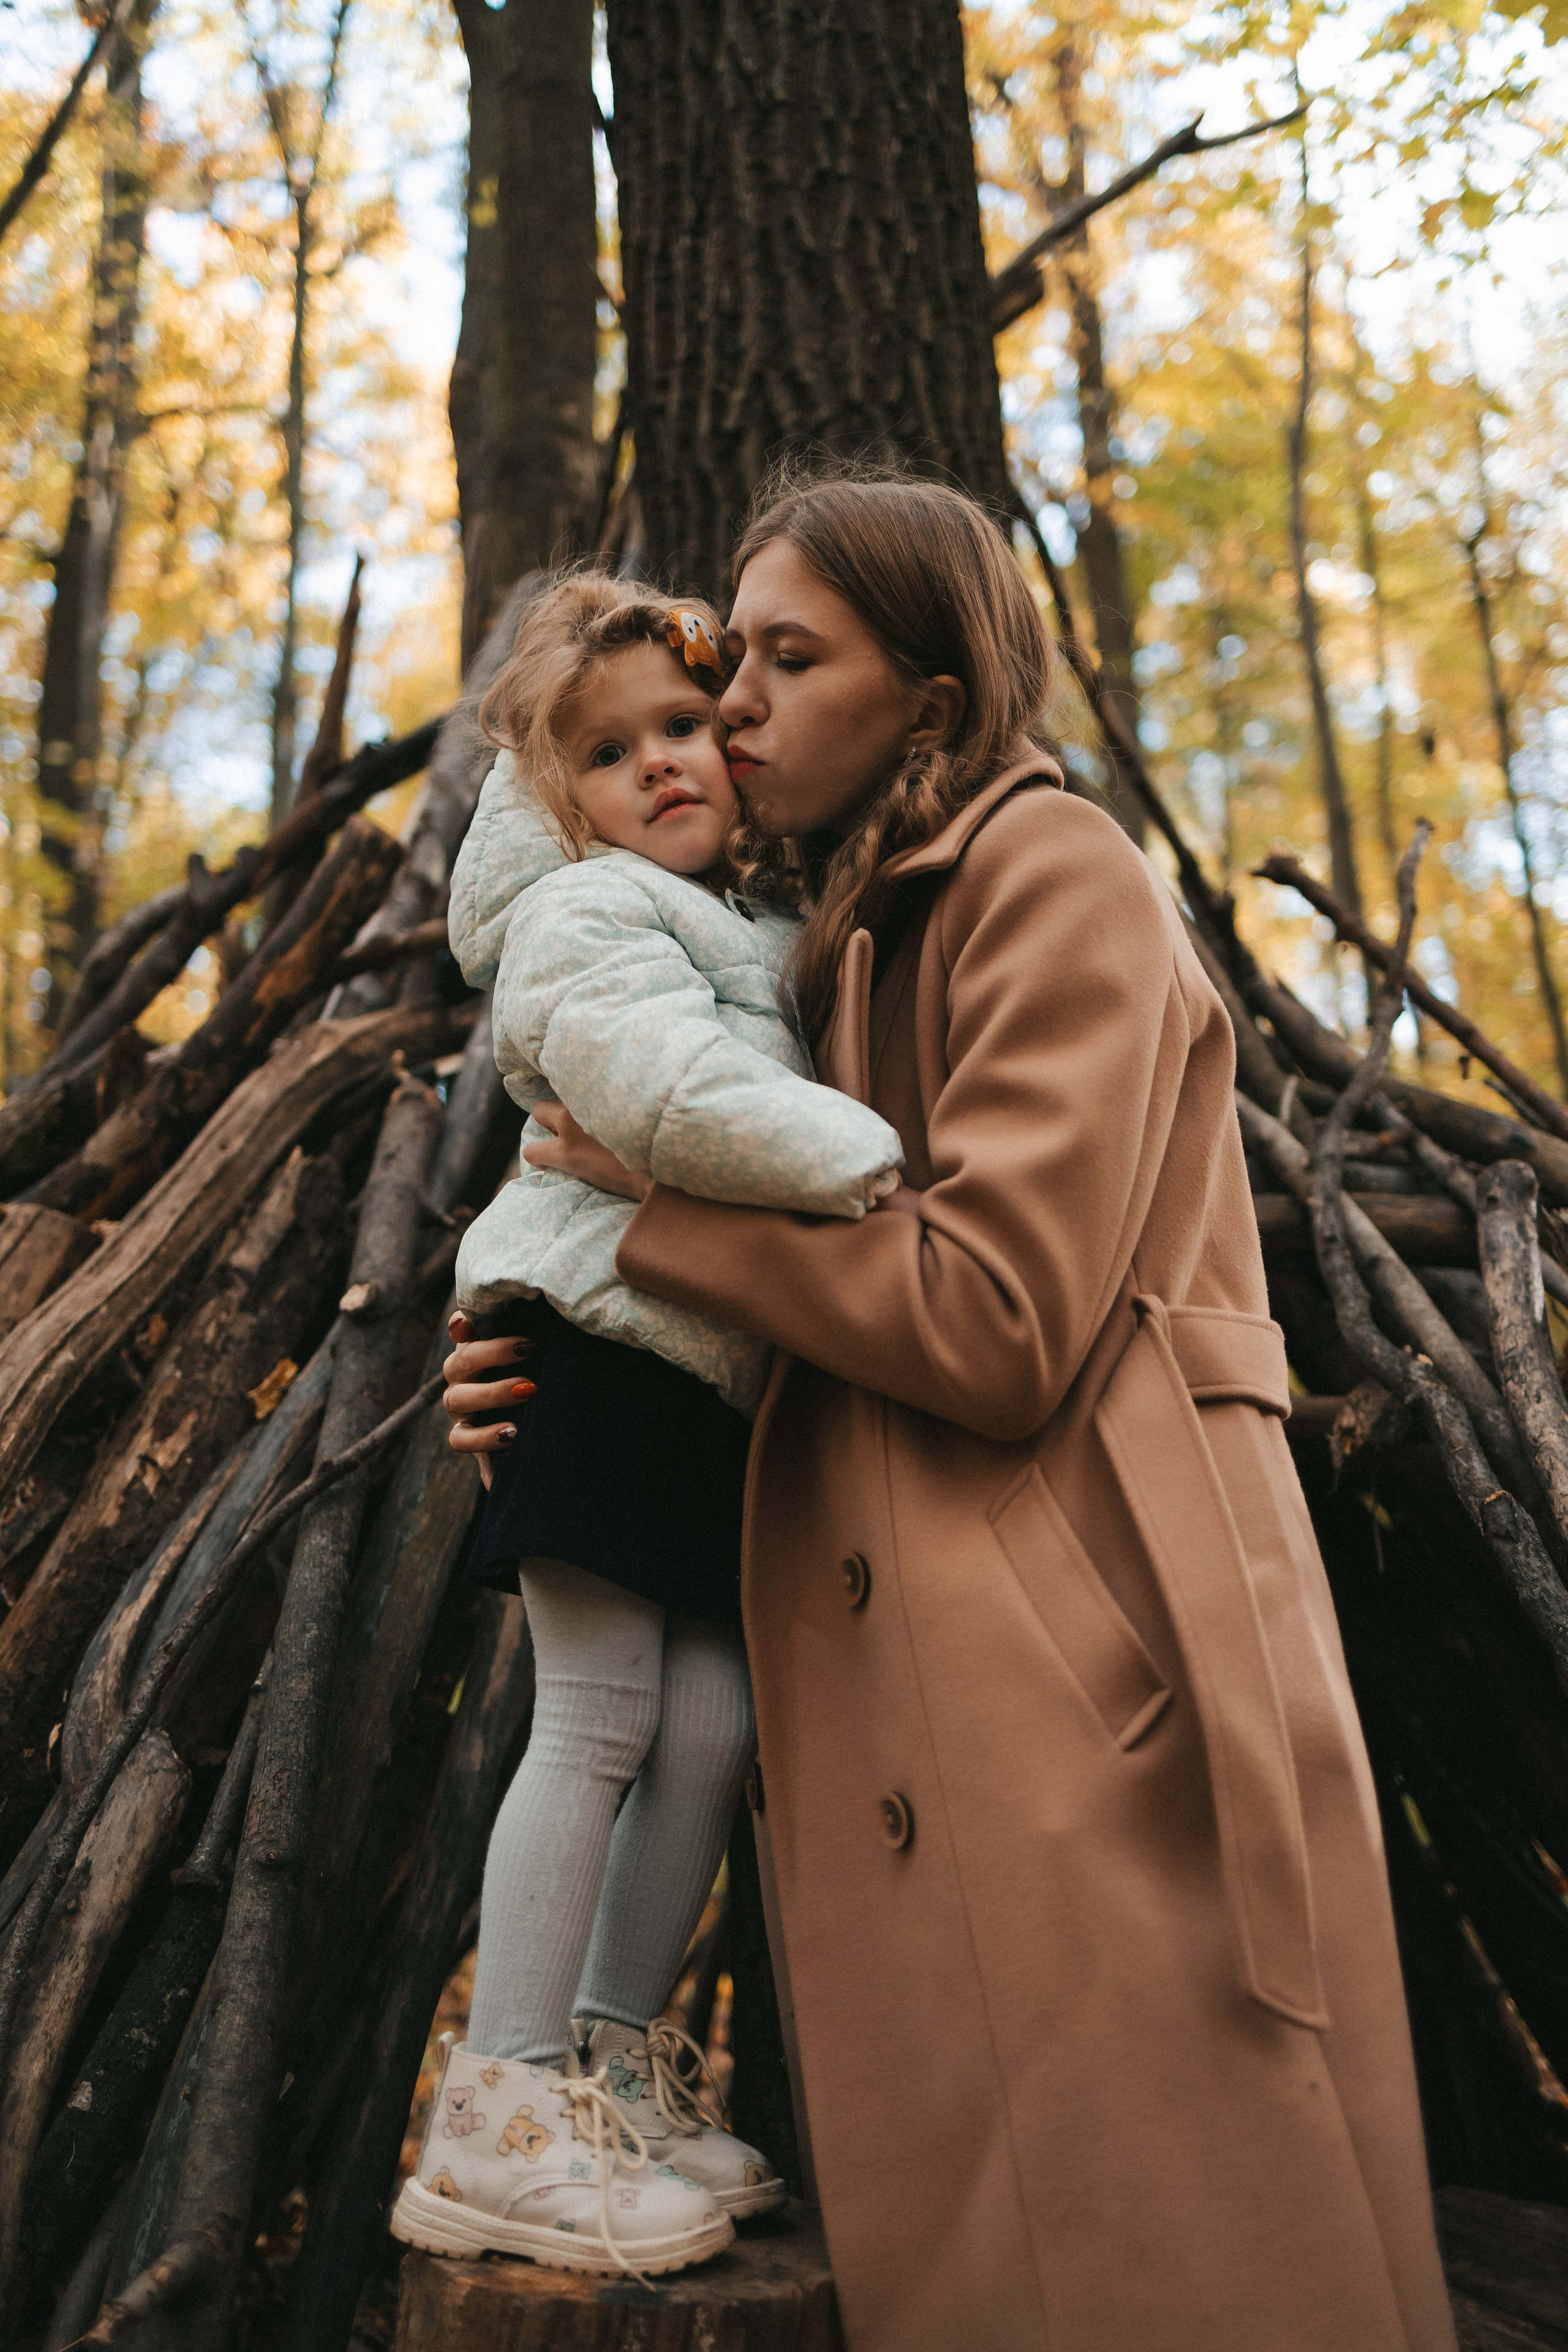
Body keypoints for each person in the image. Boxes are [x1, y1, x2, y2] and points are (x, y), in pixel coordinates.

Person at [443, 469, 1458, 2352]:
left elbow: (994, 1314)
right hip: (943, 1670)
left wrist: (658, 1235)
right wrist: (547, 1328)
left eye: (789, 658)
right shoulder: (814, 939)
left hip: (1096, 1676)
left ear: (931, 692)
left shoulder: (1048, 871)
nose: (733, 703)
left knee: (1188, 2263)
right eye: (722, 659)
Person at [393, 571, 905, 2280]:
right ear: (562, 807)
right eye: (612, 755)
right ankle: (500, 2107)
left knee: (707, 1720)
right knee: (603, 1708)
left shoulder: (740, 926)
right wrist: (864, 1167)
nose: (668, 764)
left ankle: (614, 2065)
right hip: (593, 1346)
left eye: (684, 726)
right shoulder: (592, 922)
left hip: (688, 1368)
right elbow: (670, 1099)